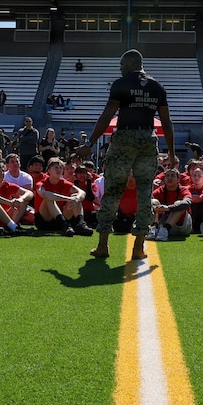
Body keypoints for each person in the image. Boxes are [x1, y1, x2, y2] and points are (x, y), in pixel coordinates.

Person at [78, 49, 176, 260]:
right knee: (144, 193)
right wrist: (172, 153)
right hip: (147, 142)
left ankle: (103, 245)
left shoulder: (121, 84)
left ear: (132, 62)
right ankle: (139, 247)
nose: (120, 68)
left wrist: (91, 143)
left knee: (113, 190)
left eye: (122, 64)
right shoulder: (157, 87)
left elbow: (107, 115)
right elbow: (167, 123)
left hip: (124, 139)